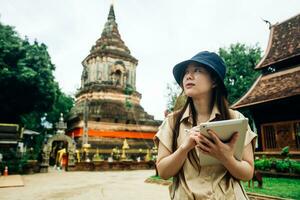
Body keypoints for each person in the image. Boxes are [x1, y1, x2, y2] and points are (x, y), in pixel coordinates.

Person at [154, 51, 257, 200]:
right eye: (186, 72)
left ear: (214, 81)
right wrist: (185, 147)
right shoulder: (172, 122)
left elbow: (247, 173)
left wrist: (225, 156)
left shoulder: (236, 118)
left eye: (197, 70)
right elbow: (163, 172)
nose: (188, 76)